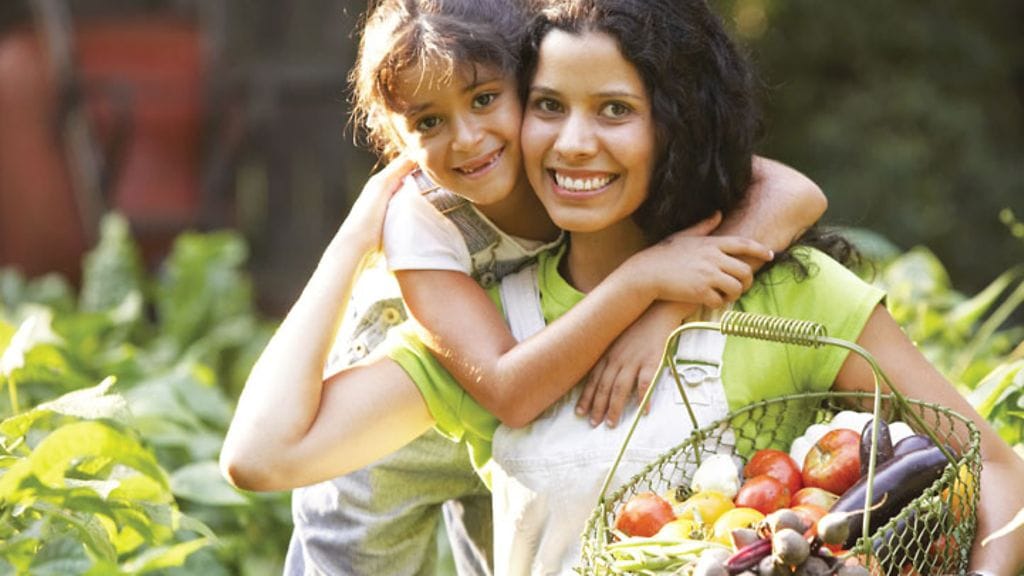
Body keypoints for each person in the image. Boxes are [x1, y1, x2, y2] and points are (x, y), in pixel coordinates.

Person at [259, 0, 828, 574]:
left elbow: (792, 191)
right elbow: (506, 390)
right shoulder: (420, 220)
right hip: (418, 403)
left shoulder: (563, 151)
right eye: (429, 122)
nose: (468, 139)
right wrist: (353, 241)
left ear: (527, 82)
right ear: (398, 139)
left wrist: (670, 306)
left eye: (485, 99)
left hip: (520, 380)